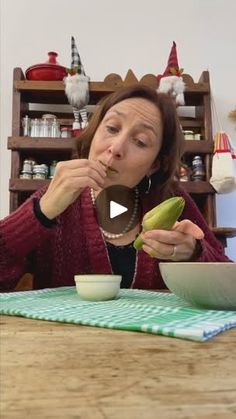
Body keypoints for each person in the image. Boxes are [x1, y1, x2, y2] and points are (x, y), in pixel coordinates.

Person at [0, 85, 231, 292]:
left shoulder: (169, 200)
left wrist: (194, 254)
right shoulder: (54, 199)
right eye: (111, 128)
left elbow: (229, 284)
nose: (116, 148)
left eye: (140, 141)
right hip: (65, 340)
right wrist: (40, 213)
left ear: (154, 165)